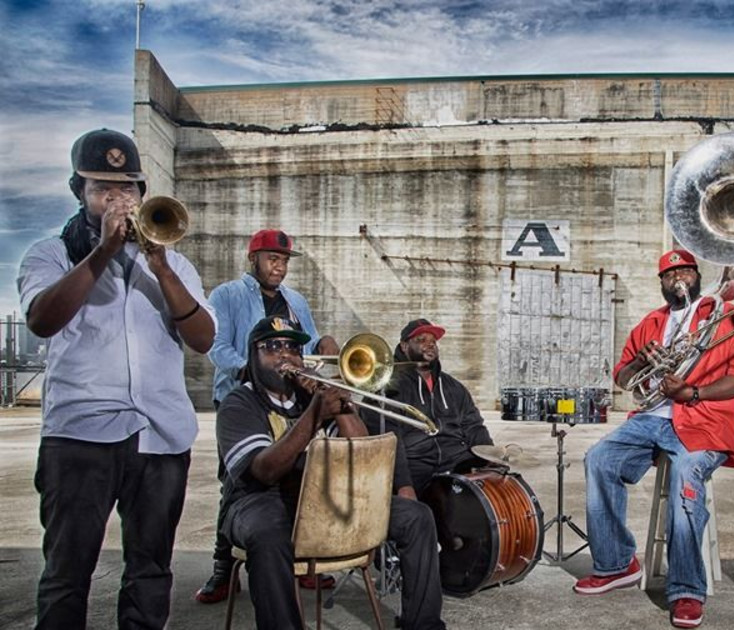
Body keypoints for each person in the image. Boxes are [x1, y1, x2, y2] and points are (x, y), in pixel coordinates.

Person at [17, 128, 215, 628]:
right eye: (103, 188)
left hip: (160, 436)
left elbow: (203, 337)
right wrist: (103, 251)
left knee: (150, 571)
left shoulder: (174, 262)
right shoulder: (51, 254)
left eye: (127, 188)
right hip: (80, 436)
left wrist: (160, 267)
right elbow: (42, 319)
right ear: (78, 191)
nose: (118, 199)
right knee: (67, 574)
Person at [573, 249, 734, 629]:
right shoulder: (651, 323)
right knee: (599, 459)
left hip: (704, 420)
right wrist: (643, 362)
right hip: (652, 419)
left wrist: (693, 393)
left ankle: (688, 589)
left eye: (686, 271)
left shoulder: (723, 316)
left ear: (697, 274)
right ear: (661, 283)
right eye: (670, 273)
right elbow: (624, 379)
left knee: (684, 480)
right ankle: (616, 563)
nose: (679, 278)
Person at [217, 317, 445, 630]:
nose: (286, 355)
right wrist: (314, 415)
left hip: (321, 495)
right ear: (253, 355)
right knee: (268, 535)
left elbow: (364, 450)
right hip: (257, 499)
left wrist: (339, 406)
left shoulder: (310, 396)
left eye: (293, 347)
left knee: (416, 516)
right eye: (272, 346)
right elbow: (264, 471)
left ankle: (423, 624)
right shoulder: (240, 403)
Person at [196, 228, 338, 604]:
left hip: (289, 398)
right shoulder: (227, 294)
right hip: (242, 398)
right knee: (237, 480)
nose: (279, 267)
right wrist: (252, 372)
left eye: (284, 261)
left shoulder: (296, 301)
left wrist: (323, 349)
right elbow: (216, 345)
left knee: (299, 473)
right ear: (253, 259)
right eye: (273, 259)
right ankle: (223, 569)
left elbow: (305, 346)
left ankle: (303, 559)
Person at [371, 318, 494, 494]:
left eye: (433, 341)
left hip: (455, 462)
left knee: (501, 489)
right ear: (404, 346)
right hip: (415, 467)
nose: (430, 345)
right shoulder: (389, 388)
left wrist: (491, 459)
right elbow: (389, 442)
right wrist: (403, 485)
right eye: (421, 340)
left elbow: (474, 427)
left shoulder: (454, 387)